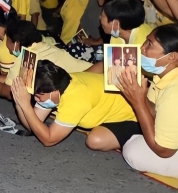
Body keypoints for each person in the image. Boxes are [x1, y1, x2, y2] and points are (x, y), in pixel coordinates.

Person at [11, 60, 139, 150]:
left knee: (95, 140)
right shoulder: (57, 84)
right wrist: (20, 103)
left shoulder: (74, 100)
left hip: (132, 117)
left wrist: (26, 106)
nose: (35, 99)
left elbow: (48, 140)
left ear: (54, 93)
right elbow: (31, 125)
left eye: (38, 96)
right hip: (107, 107)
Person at [119, 24, 178, 176]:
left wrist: (138, 102)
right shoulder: (163, 74)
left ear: (172, 56)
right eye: (145, 42)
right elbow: (154, 110)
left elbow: (164, 151)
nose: (142, 48)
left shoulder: (174, 91)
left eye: (150, 44)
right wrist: (137, 94)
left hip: (167, 149)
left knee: (133, 151)